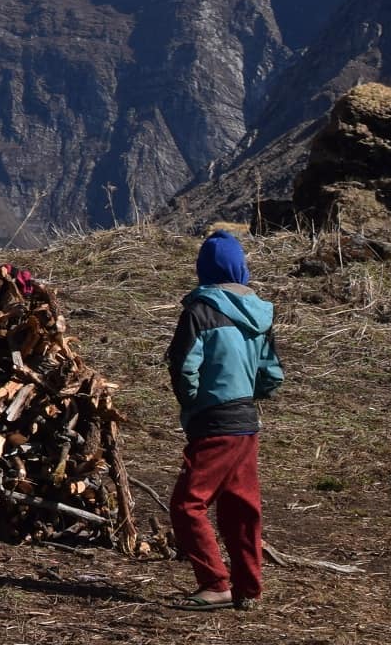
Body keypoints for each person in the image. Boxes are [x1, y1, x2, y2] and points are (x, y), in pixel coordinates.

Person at [164, 231, 281, 611]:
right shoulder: (260, 316)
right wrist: (248, 394)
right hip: (247, 422)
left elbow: (184, 369)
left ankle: (215, 583)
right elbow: (272, 374)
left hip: (214, 423)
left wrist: (195, 404)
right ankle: (249, 587)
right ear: (241, 269)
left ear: (204, 270)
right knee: (241, 508)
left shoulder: (199, 312)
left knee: (187, 505)